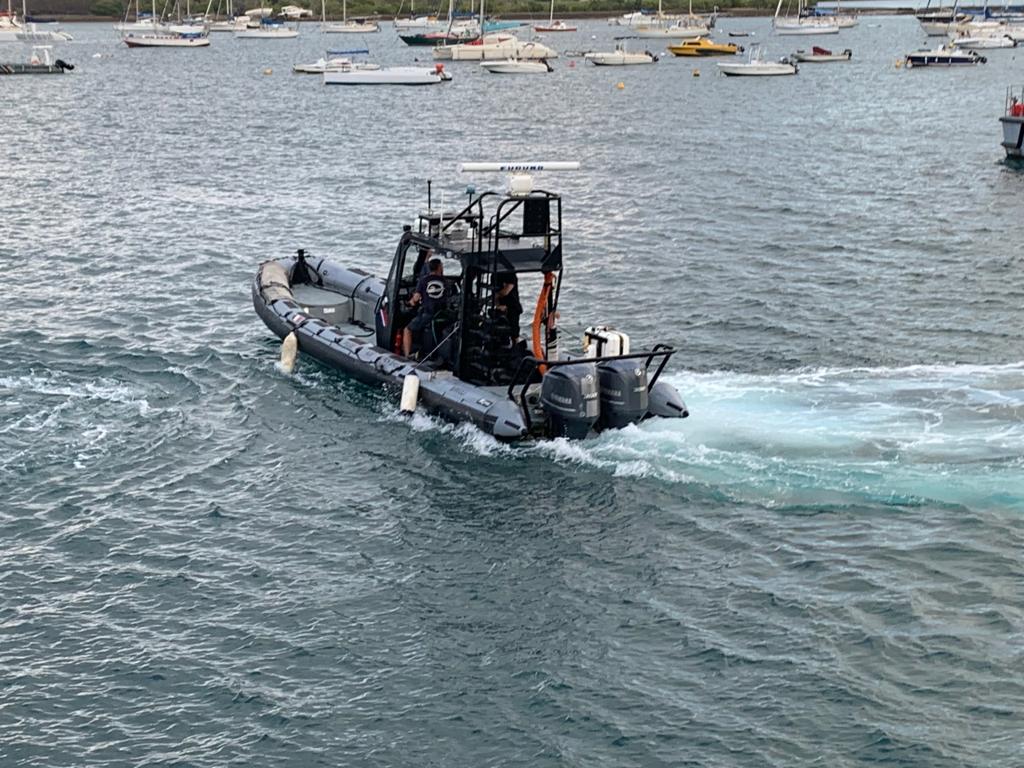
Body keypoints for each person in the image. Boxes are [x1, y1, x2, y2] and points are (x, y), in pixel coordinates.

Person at [403, 258, 449, 357]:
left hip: (428, 314)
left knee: (407, 329)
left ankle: (407, 356)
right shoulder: (445, 282)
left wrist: (410, 303)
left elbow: (416, 298)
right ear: (439, 268)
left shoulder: (423, 281)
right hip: (442, 314)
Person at [492, 272, 523, 341]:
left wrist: (498, 295)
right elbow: (494, 293)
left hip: (513, 306)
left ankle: (515, 345)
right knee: (500, 331)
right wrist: (498, 305)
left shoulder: (510, 274)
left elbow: (506, 291)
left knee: (514, 331)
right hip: (501, 307)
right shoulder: (494, 275)